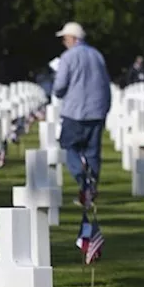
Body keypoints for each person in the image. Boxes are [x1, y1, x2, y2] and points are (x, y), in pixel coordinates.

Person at [51, 21, 112, 194]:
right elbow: (106, 83)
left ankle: (81, 176)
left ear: (72, 38)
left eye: (64, 39)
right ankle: (92, 186)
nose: (64, 42)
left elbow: (59, 86)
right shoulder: (97, 55)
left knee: (70, 146)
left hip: (74, 112)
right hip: (96, 111)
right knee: (92, 152)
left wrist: (59, 93)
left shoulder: (68, 57)